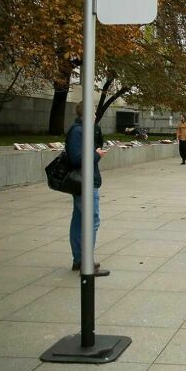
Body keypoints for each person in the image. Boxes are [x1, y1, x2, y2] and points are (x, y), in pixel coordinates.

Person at [66, 102, 109, 277]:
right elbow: (78, 158)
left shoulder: (82, 130)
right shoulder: (78, 131)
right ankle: (85, 262)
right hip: (85, 182)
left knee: (79, 219)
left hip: (84, 181)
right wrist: (96, 155)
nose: (95, 116)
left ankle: (79, 259)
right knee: (91, 220)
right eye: (92, 113)